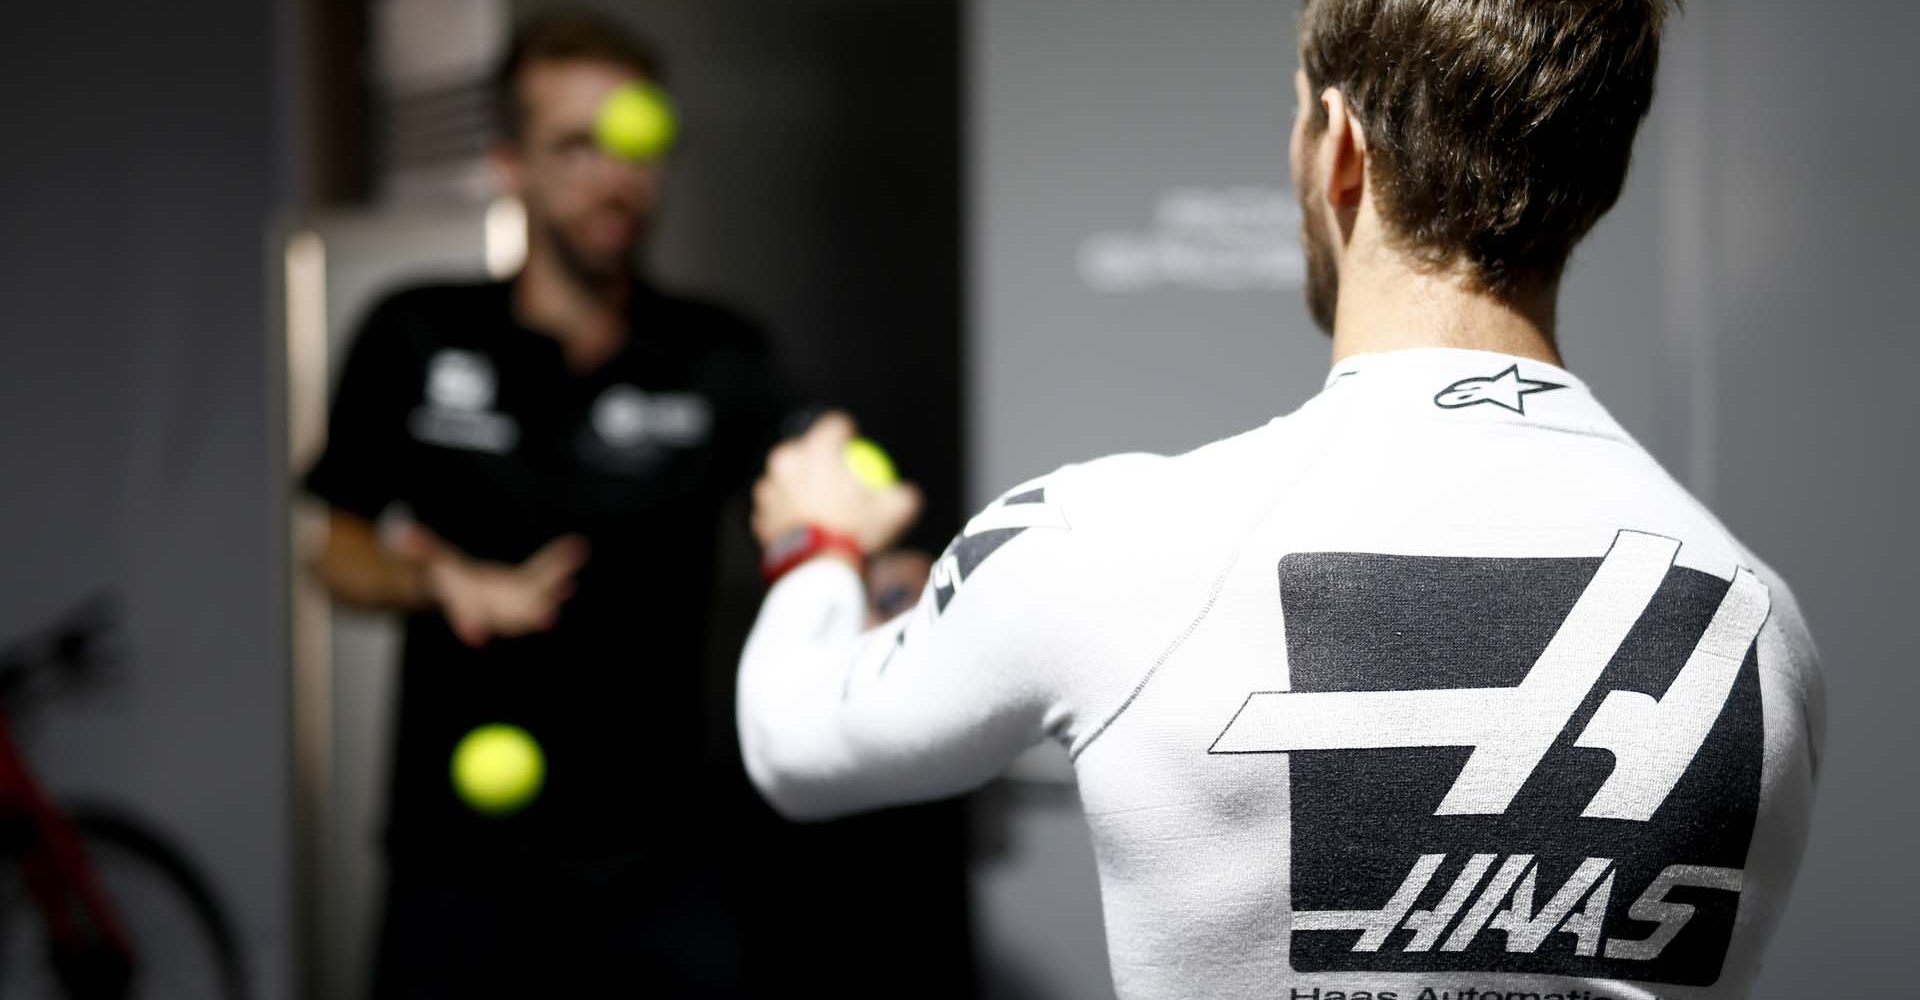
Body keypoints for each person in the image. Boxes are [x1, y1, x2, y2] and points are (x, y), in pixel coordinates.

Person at [736, 2, 1825, 999]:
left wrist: (813, 540)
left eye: (1300, 119)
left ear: (1341, 148)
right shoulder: (1761, 622)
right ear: (1601, 176)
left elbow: (795, 744)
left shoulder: (1105, 544)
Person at [303, 12, 806, 995]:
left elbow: (801, 508)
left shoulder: (719, 351)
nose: (613, 177)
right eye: (575, 146)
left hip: (663, 857)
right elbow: (338, 552)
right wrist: (442, 581)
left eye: (635, 146)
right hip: (457, 866)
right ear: (509, 163)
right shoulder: (414, 331)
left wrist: (875, 568)